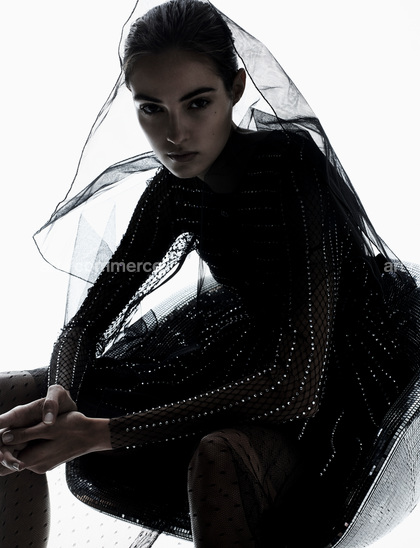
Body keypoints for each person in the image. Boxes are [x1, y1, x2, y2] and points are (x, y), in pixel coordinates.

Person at [0, 0, 419, 547]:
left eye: (197, 103)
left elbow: (296, 388)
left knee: (218, 458)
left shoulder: (290, 170)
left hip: (336, 385)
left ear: (236, 88)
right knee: (11, 401)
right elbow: (88, 320)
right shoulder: (173, 192)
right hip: (239, 357)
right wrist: (59, 397)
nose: (175, 134)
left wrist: (101, 433)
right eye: (152, 108)